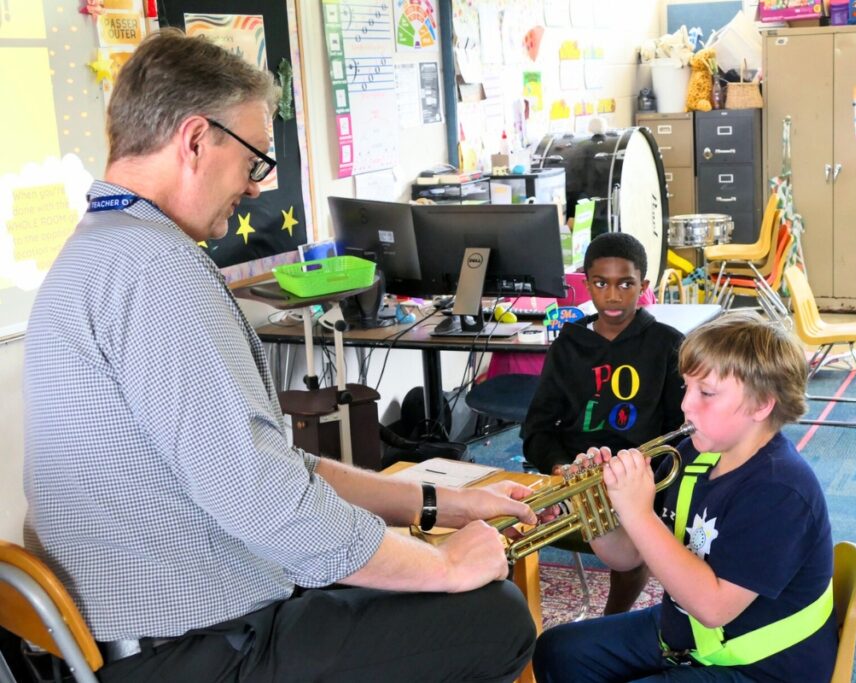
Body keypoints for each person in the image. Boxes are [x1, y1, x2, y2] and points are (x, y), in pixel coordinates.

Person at [22, 29, 537, 682]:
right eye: (254, 161)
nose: (258, 187)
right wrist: (443, 564)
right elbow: (267, 499)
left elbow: (271, 464)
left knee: (382, 576)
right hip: (184, 650)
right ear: (195, 140)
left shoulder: (95, 252)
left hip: (124, 637)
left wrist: (434, 504)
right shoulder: (158, 270)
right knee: (493, 614)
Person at [532, 311, 838, 682]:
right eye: (687, 388)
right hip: (687, 633)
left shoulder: (781, 491)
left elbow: (713, 607)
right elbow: (627, 556)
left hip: (759, 665)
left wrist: (639, 513)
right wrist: (595, 510)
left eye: (706, 393)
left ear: (762, 404)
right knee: (557, 651)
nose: (686, 405)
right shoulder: (692, 456)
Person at [521, 231, 686, 615]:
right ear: (587, 283)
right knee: (505, 520)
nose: (613, 296)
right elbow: (537, 428)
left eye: (626, 284)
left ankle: (613, 619)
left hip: (642, 475)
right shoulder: (568, 345)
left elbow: (682, 430)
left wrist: (643, 477)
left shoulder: (668, 344)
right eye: (601, 283)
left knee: (634, 538)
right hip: (578, 474)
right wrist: (563, 469)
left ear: (643, 287)